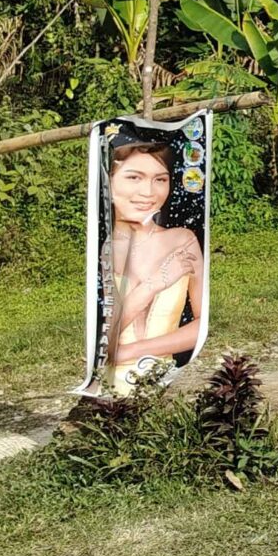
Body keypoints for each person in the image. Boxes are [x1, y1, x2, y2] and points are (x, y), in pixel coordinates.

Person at [101, 136, 205, 393]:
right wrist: (155, 284)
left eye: (160, 179)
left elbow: (202, 324)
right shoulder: (103, 250)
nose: (148, 192)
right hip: (110, 384)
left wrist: (134, 350)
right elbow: (104, 340)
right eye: (134, 177)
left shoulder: (182, 240)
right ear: (108, 183)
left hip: (164, 377)